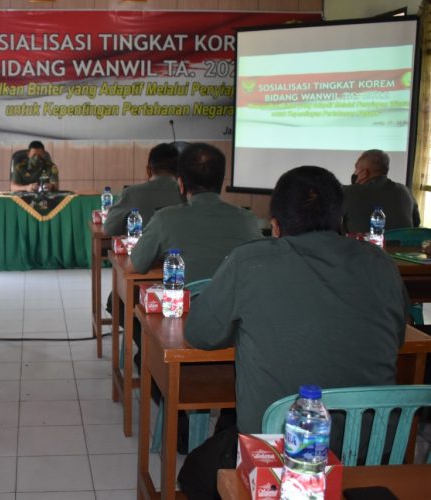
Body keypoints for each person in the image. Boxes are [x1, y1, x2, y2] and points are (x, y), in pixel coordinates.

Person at [177, 166, 409, 499]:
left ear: (275, 225)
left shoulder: (250, 261)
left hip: (283, 456)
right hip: (373, 452)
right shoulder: (381, 263)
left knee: (194, 472)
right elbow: (396, 339)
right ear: (341, 218)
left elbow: (198, 334)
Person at [130, 142, 261, 277]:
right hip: (237, 297)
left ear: (180, 184)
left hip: (188, 298)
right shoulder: (248, 220)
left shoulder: (164, 218)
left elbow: (134, 265)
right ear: (221, 182)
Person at [102, 142, 184, 236]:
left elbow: (109, 229)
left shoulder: (131, 193)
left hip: (143, 249)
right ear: (178, 171)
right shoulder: (188, 194)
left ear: (148, 170)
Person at [342, 149, 420, 232]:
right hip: (402, 244)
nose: (354, 172)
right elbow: (416, 224)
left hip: (363, 245)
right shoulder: (406, 191)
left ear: (364, 173)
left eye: (356, 168)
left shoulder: (348, 192)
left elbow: (333, 227)